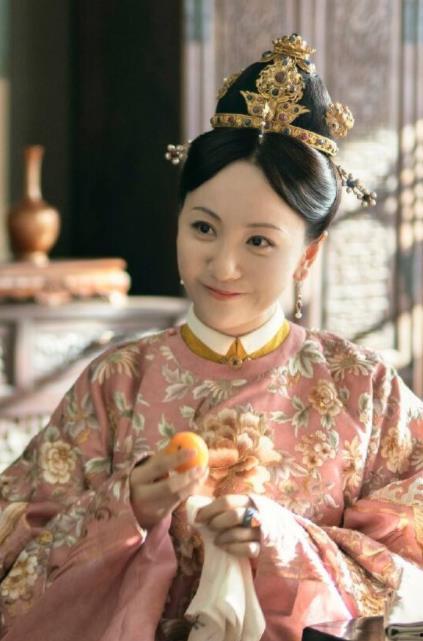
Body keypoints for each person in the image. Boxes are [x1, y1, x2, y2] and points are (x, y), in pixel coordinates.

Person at [0, 33, 422, 641]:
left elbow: (408, 570)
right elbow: (13, 556)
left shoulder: (363, 386)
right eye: (203, 228)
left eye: (259, 241)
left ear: (308, 256)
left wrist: (280, 539)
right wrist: (125, 509)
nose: (223, 266)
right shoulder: (117, 382)